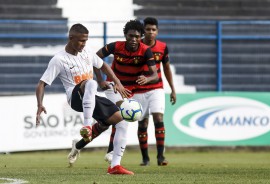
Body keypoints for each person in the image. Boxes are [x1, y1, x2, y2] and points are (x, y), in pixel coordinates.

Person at [35, 23, 133, 175]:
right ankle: (87, 126)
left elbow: (103, 66)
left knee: (122, 120)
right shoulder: (59, 59)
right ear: (71, 38)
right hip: (74, 98)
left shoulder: (87, 52)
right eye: (81, 40)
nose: (84, 44)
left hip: (91, 96)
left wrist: (117, 83)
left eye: (86, 40)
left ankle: (114, 166)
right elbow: (42, 84)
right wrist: (40, 104)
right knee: (90, 82)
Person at [67, 20, 158, 174]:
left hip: (132, 91)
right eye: (130, 36)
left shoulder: (146, 51)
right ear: (125, 35)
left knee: (104, 125)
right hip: (114, 87)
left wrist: (147, 79)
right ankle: (113, 159)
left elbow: (155, 74)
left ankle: (78, 145)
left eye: (137, 36)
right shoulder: (115, 46)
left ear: (141, 37)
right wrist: (101, 79)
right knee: (123, 118)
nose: (133, 39)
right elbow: (96, 59)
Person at [104, 17, 176, 166]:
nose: (150, 32)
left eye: (153, 29)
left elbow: (163, 70)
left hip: (155, 87)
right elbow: (114, 63)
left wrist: (172, 89)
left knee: (158, 117)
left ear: (157, 31)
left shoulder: (159, 48)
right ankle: (145, 158)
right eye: (148, 29)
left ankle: (160, 156)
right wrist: (114, 80)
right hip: (135, 90)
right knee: (141, 123)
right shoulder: (133, 46)